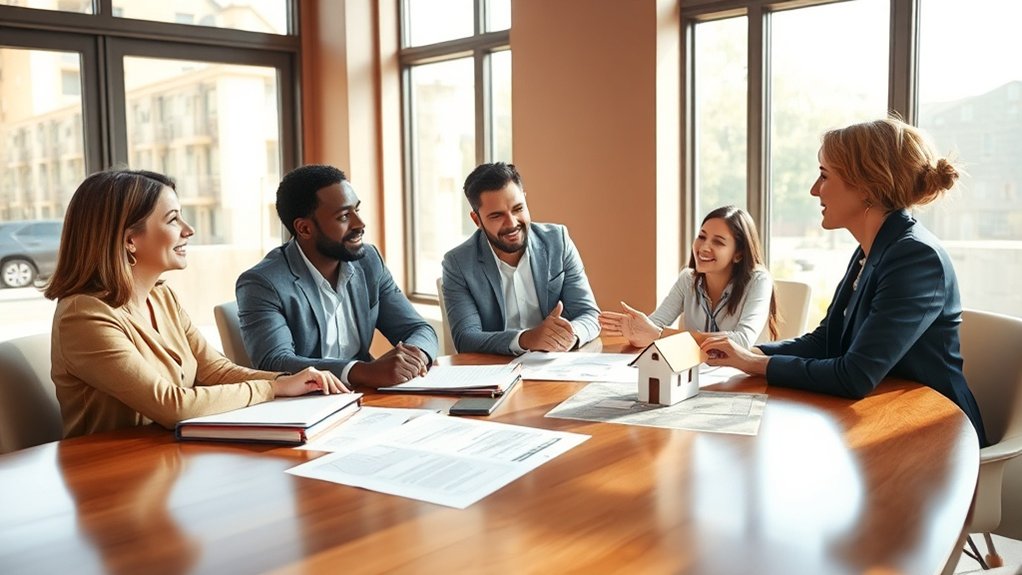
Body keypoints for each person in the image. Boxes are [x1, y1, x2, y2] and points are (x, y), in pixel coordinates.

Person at [699, 118, 987, 445]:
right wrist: (746, 351)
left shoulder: (916, 258)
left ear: (866, 186)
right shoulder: (871, 250)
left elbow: (855, 376)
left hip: (933, 434)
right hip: (884, 417)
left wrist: (755, 363)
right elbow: (827, 341)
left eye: (824, 176)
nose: (813, 190)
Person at [44, 170, 346, 439]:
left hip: (168, 459)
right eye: (173, 219)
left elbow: (216, 371)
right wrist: (273, 388)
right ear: (129, 241)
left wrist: (291, 380)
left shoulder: (162, 298)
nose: (188, 230)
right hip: (110, 477)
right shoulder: (83, 315)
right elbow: (172, 405)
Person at [237, 164, 437, 389]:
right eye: (343, 216)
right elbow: (275, 362)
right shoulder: (262, 283)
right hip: (307, 406)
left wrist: (414, 357)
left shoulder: (368, 261)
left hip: (367, 398)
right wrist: (361, 371)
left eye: (357, 210)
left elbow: (419, 329)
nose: (360, 224)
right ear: (304, 229)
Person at [441, 162, 601, 355]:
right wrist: (527, 339)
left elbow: (589, 314)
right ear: (477, 220)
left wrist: (569, 335)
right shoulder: (458, 263)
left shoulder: (558, 241)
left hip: (556, 365)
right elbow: (466, 338)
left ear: (525, 200)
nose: (512, 223)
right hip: (498, 371)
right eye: (496, 216)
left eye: (518, 209)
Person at [599, 205, 778, 349]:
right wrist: (635, 331)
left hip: (745, 381)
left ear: (738, 254)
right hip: (695, 376)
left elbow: (742, 340)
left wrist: (662, 335)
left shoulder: (759, 280)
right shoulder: (688, 279)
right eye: (702, 236)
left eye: (718, 242)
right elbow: (652, 328)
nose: (704, 247)